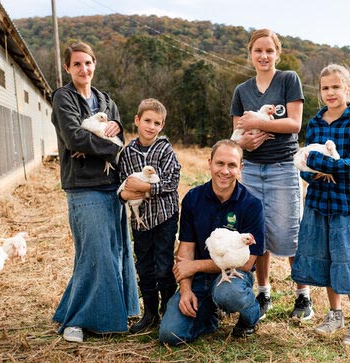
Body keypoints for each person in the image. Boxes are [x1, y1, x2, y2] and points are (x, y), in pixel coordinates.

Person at [51, 41, 139, 343]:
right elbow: (74, 138)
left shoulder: (105, 99)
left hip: (112, 186)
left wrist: (114, 132)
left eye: (87, 63)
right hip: (83, 186)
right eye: (76, 64)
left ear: (94, 64)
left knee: (115, 250)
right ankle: (78, 321)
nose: (83, 69)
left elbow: (121, 136)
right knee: (94, 253)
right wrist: (111, 150)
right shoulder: (63, 97)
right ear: (68, 68)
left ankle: (115, 310)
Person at [230, 29, 313, 320]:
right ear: (250, 54)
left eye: (269, 51)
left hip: (282, 169)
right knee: (257, 234)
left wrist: (259, 121)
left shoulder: (289, 79)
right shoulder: (242, 91)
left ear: (277, 53)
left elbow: (294, 124)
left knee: (290, 233)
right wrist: (244, 141)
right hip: (251, 169)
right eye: (258, 51)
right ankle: (263, 292)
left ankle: (303, 295)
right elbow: (236, 135)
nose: (264, 56)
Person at [291, 64, 350, 347]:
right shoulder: (315, 123)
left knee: (348, 261)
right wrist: (319, 167)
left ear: (348, 89)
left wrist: (324, 165)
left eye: (336, 87)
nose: (331, 92)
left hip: (346, 203)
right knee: (326, 260)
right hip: (318, 201)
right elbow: (303, 165)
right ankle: (334, 314)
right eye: (325, 88)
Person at [159, 140, 265, 345]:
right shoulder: (193, 198)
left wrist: (196, 265)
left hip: (234, 277)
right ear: (209, 163)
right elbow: (186, 251)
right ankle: (208, 314)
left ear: (240, 168)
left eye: (232, 165)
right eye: (220, 163)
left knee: (229, 292)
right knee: (170, 335)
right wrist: (186, 290)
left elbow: (246, 263)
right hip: (198, 280)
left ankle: (251, 315)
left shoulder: (252, 205)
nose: (225, 171)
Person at [117, 98, 181, 334]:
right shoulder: (128, 153)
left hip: (165, 217)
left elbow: (172, 182)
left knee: (164, 264)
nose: (151, 126)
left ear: (162, 125)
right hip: (140, 220)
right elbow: (123, 185)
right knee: (144, 265)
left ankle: (168, 309)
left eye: (157, 122)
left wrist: (144, 188)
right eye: (147, 121)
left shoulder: (165, 149)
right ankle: (150, 312)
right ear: (137, 120)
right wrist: (129, 191)